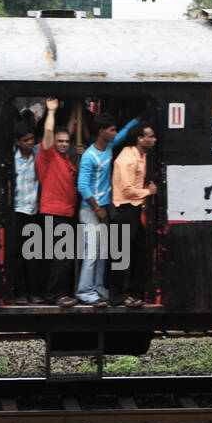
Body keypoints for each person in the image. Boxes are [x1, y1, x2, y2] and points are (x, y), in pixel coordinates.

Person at [76, 113, 139, 305]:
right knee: (92, 253)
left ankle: (96, 287)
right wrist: (97, 208)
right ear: (102, 132)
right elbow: (82, 186)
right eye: (112, 130)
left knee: (101, 253)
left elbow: (125, 133)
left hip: (102, 209)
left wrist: (137, 119)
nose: (115, 133)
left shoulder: (109, 147)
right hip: (91, 210)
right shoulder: (89, 156)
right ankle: (85, 291)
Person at [108, 123, 158, 307]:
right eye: (150, 136)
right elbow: (127, 189)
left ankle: (134, 292)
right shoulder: (127, 158)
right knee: (120, 255)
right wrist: (148, 192)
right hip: (124, 209)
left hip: (134, 210)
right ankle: (117, 296)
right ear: (140, 139)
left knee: (139, 250)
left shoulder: (141, 155)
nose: (154, 139)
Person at [36, 97, 79, 307]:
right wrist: (51, 112)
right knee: (62, 257)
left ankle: (57, 293)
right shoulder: (47, 155)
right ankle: (54, 295)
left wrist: (74, 110)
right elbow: (48, 134)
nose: (63, 144)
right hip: (54, 212)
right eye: (60, 141)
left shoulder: (66, 158)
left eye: (66, 142)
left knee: (63, 256)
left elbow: (68, 131)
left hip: (66, 213)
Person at [9, 121, 44, 303]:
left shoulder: (38, 154)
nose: (30, 143)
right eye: (26, 140)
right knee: (18, 256)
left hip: (34, 212)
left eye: (32, 139)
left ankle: (34, 292)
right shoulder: (11, 161)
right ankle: (21, 293)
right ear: (17, 142)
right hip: (17, 212)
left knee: (34, 256)